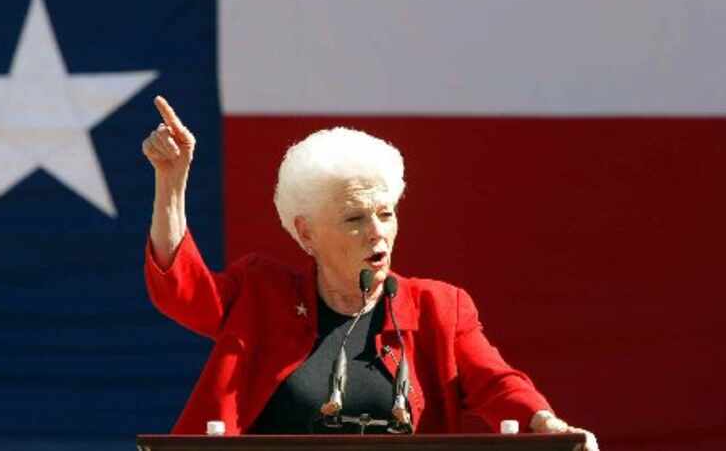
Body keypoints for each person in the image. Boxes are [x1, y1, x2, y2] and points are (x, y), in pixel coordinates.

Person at [142, 95, 598, 449]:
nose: (377, 232)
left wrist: (546, 423)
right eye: (354, 219)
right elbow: (181, 292)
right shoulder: (261, 293)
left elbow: (498, 385)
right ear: (306, 234)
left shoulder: (439, 307)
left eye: (386, 213)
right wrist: (171, 182)